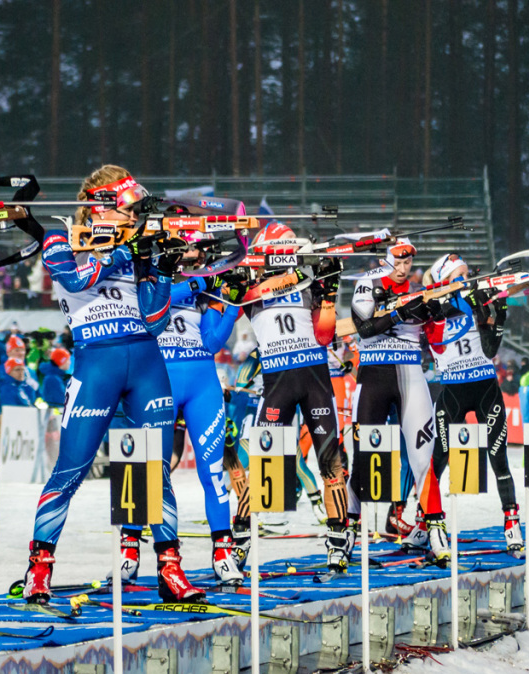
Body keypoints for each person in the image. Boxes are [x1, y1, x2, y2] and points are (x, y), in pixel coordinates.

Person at [23, 165, 197, 605]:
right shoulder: (60, 238)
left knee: (154, 471)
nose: (136, 217)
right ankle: (39, 569)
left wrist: (159, 266)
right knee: (71, 470)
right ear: (103, 207)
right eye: (129, 210)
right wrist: (124, 253)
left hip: (145, 361)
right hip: (95, 363)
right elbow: (75, 279)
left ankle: (170, 568)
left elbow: (156, 320)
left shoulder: (139, 242)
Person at [241, 222, 348, 570]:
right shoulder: (252, 283)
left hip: (315, 381)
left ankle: (337, 540)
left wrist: (328, 291)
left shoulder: (307, 283)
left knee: (330, 463)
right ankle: (239, 542)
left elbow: (324, 334)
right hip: (277, 386)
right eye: (283, 246)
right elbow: (237, 290)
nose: (290, 252)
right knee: (261, 465)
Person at [140, 231, 244, 585]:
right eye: (185, 247)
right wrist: (198, 283)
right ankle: (130, 548)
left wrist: (234, 304)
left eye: (197, 248)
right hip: (159, 379)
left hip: (201, 381)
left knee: (213, 472)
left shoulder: (206, 284)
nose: (191, 253)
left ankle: (223, 552)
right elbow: (150, 311)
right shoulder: (153, 272)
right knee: (150, 470)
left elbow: (213, 341)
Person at [347, 238, 449, 563]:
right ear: (389, 259)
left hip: (410, 374)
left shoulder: (420, 290)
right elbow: (364, 328)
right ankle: (348, 532)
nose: (405, 268)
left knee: (423, 458)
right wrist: (401, 312)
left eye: (409, 263)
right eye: (400, 262)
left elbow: (439, 346)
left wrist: (435, 317)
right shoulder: (369, 282)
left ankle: (435, 528)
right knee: (363, 458)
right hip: (374, 375)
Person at [422, 254, 523, 553]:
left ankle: (511, 521)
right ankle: (423, 520)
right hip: (452, 390)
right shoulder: (433, 307)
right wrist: (452, 299)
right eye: (459, 274)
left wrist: (496, 311)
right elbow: (437, 335)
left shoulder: (472, 301)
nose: (466, 278)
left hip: (485, 388)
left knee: (498, 456)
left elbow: (490, 348)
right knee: (437, 459)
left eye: (467, 273)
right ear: (444, 279)